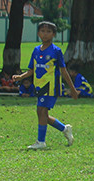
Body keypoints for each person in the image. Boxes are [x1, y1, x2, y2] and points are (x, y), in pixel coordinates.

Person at [12, 21, 78, 150]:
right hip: (39, 86)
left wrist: (72, 89)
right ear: (38, 33)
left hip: (51, 86)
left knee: (42, 111)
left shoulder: (56, 51)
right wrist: (21, 77)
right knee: (42, 114)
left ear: (53, 34)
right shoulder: (36, 50)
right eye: (42, 31)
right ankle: (65, 129)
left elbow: (63, 70)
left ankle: (41, 142)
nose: (45, 34)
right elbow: (31, 69)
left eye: (48, 32)